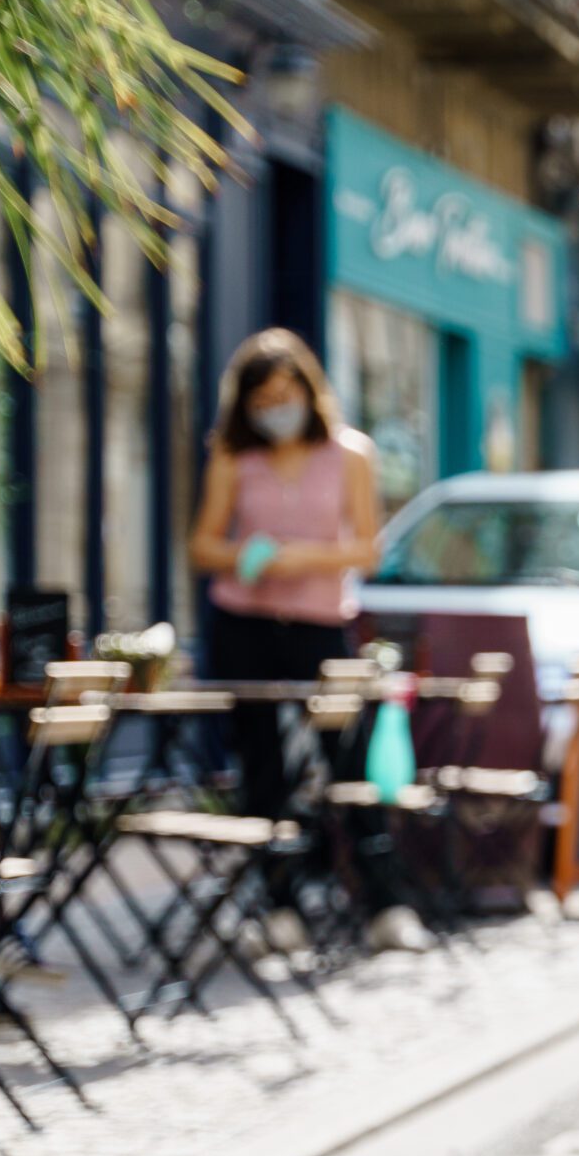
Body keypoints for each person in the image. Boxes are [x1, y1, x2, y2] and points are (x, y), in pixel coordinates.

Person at [187, 330, 417, 951]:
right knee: (262, 771)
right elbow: (202, 545)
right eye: (264, 399)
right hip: (246, 623)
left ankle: (386, 904)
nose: (276, 408)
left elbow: (368, 546)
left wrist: (301, 557)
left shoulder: (351, 454)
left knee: (348, 761)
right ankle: (277, 905)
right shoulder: (235, 454)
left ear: (310, 392)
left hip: (320, 624)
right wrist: (247, 555)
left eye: (287, 394)